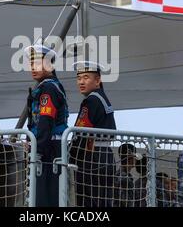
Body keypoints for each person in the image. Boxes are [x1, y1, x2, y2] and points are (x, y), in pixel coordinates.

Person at [25, 45, 69, 207]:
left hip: (48, 149)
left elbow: (45, 122)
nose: (32, 68)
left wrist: (37, 150)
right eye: (31, 64)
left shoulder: (48, 89)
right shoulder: (48, 86)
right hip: (50, 146)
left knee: (44, 198)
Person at [69, 61, 116, 207]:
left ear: (97, 80)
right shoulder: (102, 98)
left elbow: (80, 134)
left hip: (92, 158)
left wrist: (69, 156)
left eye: (86, 77)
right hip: (106, 155)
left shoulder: (91, 101)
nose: (81, 82)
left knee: (88, 203)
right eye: (79, 78)